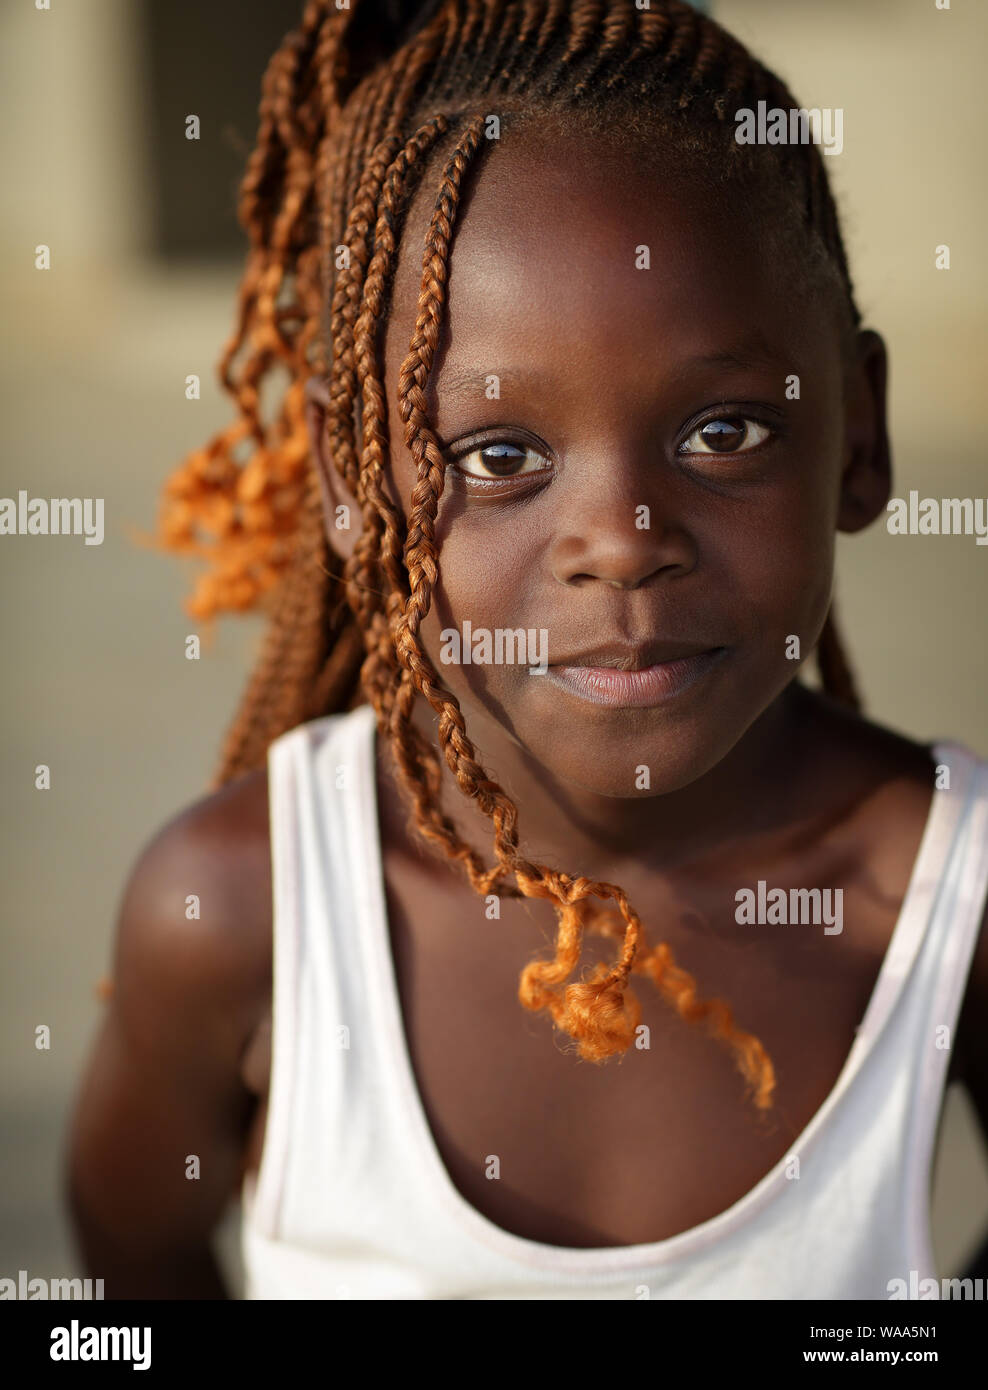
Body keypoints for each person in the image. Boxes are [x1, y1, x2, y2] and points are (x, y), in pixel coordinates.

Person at [66, 0, 988, 1300]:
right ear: (352, 479)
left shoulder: (949, 895)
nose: (621, 540)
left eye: (724, 433)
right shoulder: (241, 908)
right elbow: (122, 1284)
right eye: (500, 459)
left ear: (862, 433)